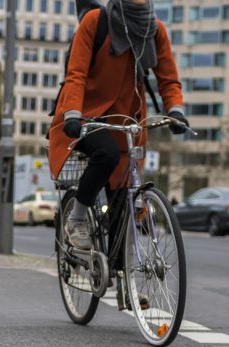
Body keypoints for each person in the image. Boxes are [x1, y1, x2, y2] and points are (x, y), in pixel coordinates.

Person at [47, 0, 188, 249]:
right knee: (106, 153)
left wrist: (175, 110)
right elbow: (76, 73)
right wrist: (72, 114)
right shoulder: (95, 22)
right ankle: (76, 218)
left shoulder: (154, 30)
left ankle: (122, 279)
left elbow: (168, 79)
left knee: (123, 214)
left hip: (127, 122)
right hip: (85, 116)